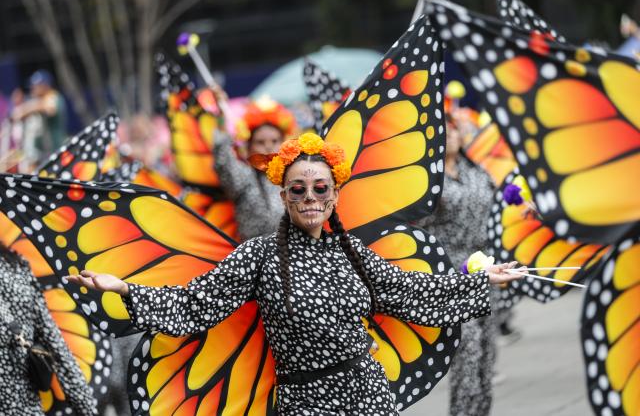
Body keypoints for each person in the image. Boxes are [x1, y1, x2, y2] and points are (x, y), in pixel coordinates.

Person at [67, 133, 523, 415]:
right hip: (305, 402)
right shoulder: (259, 257)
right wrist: (125, 290)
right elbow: (193, 304)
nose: (310, 197)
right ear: (284, 197)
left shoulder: (353, 254)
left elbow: (410, 291)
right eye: (298, 189)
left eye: (320, 188)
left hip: (369, 395)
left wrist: (483, 280)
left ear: (334, 194)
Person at [418, 113, 499, 416]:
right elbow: (415, 227)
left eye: (453, 130)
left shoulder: (477, 172)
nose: (450, 135)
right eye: (443, 131)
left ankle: (481, 410)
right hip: (452, 271)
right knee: (469, 347)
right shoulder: (428, 180)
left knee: (488, 353)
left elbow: (498, 207)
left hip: (486, 268)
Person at [0, 243, 96, 415]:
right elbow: (55, 344)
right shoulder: (15, 265)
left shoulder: (16, 264)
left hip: (21, 403)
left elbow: (55, 344)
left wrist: (86, 407)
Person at [212, 94, 297, 240]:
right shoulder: (243, 178)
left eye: (275, 140)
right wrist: (221, 117)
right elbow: (223, 160)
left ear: (285, 143)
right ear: (249, 148)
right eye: (260, 142)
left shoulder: (296, 176)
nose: (269, 146)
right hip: (254, 258)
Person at [11, 70, 68, 157]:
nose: (32, 88)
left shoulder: (53, 96)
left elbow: (50, 108)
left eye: (35, 86)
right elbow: (18, 115)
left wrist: (27, 109)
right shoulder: (39, 99)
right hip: (43, 151)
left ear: (45, 86)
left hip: (55, 149)